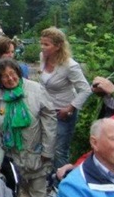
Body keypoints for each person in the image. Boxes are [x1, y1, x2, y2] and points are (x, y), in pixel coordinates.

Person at [0, 58, 57, 197]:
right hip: (11, 152)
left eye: (13, 74)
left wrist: (47, 148)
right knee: (14, 190)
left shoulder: (35, 89)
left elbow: (50, 118)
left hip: (36, 149)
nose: (10, 79)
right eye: (5, 77)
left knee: (38, 192)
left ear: (18, 73)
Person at [38, 27, 91, 173]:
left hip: (63, 113)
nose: (42, 47)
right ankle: (48, 177)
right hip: (45, 110)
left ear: (58, 46)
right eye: (41, 43)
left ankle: (60, 182)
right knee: (46, 146)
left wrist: (70, 107)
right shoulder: (43, 58)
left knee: (60, 150)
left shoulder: (70, 65)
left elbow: (85, 89)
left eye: (46, 44)